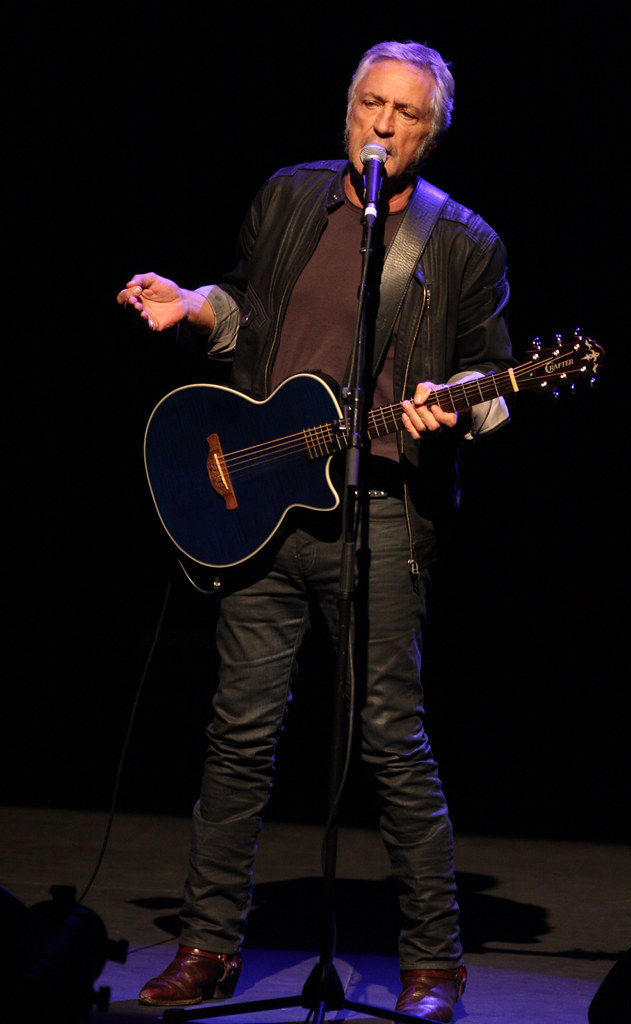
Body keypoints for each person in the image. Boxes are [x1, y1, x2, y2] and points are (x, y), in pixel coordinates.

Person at [117, 40, 514, 1022]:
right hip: (266, 508)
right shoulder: (290, 198)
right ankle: (206, 946)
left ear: (433, 128)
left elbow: (493, 385)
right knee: (237, 731)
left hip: (382, 515)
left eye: (405, 113)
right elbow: (246, 312)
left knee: (388, 739)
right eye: (368, 105)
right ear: (346, 110)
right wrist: (193, 307)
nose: (381, 125)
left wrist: (454, 403)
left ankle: (432, 962)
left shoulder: (461, 241)